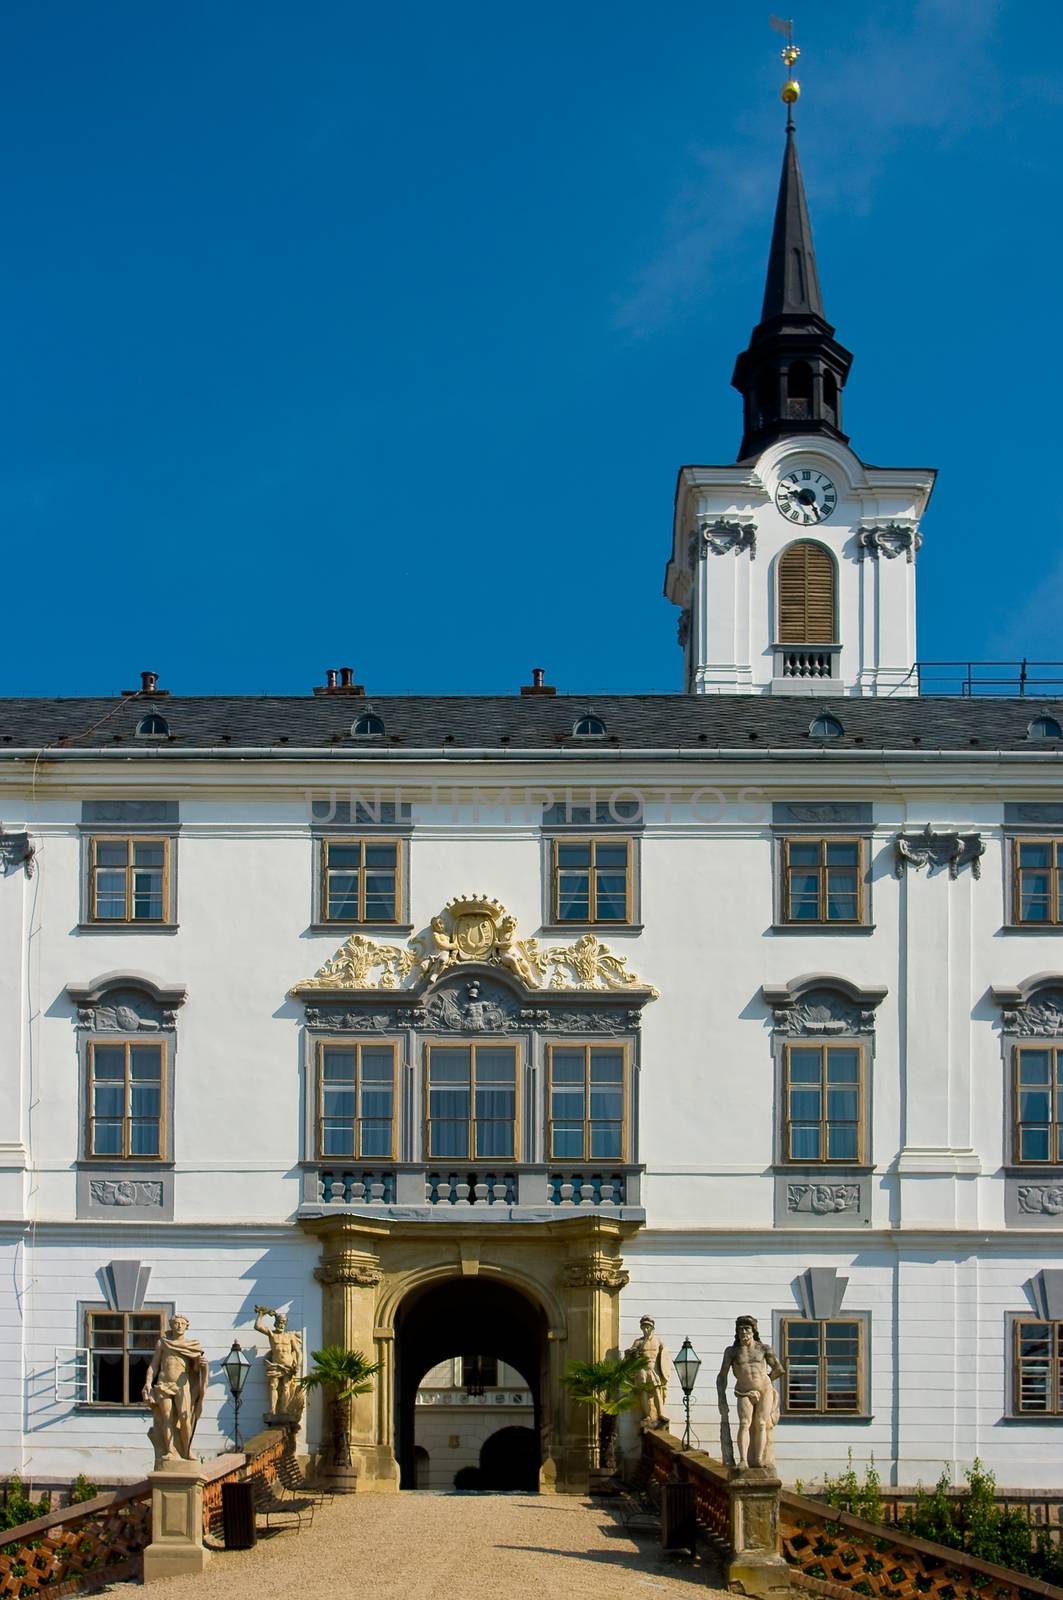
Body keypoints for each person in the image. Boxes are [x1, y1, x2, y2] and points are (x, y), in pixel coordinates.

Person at [716, 1314, 784, 1470]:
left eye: (747, 1329)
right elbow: (722, 1377)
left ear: (753, 1331)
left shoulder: (763, 1349)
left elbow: (779, 1369)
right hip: (744, 1391)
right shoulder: (732, 1352)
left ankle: (758, 1459)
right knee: (744, 1423)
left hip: (764, 1390)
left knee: (761, 1424)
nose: (743, 1333)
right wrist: (722, 1398)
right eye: (740, 1330)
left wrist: (765, 1379)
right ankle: (743, 1460)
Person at [142, 1313, 209, 1468]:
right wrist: (147, 1383)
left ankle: (187, 1450)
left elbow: (196, 1368)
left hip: (182, 1385)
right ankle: (170, 1451)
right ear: (171, 1325)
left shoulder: (191, 1345)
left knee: (185, 1418)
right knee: (167, 1417)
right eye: (176, 1323)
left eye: (182, 1323)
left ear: (186, 1326)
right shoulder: (163, 1343)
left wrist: (203, 1365)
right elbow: (154, 1365)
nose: (179, 1326)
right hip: (164, 1383)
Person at [254, 1306, 304, 1419]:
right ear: (275, 1323)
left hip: (288, 1366)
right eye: (279, 1322)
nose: (281, 1325)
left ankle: (284, 1409)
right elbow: (257, 1326)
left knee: (286, 1386)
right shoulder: (272, 1335)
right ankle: (272, 1409)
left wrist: (298, 1365)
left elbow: (298, 1352)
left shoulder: (290, 1336)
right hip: (275, 1366)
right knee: (273, 1386)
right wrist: (261, 1314)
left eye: (283, 1323)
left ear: (285, 1324)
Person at [626, 1315, 669, 1429]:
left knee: (656, 1391)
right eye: (643, 1327)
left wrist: (663, 1372)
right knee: (643, 1392)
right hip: (642, 1369)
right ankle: (647, 1415)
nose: (645, 1329)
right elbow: (630, 1354)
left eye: (648, 1327)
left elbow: (665, 1356)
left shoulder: (658, 1341)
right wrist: (633, 1352)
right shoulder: (638, 1342)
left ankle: (661, 1414)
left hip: (653, 1368)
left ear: (652, 1328)